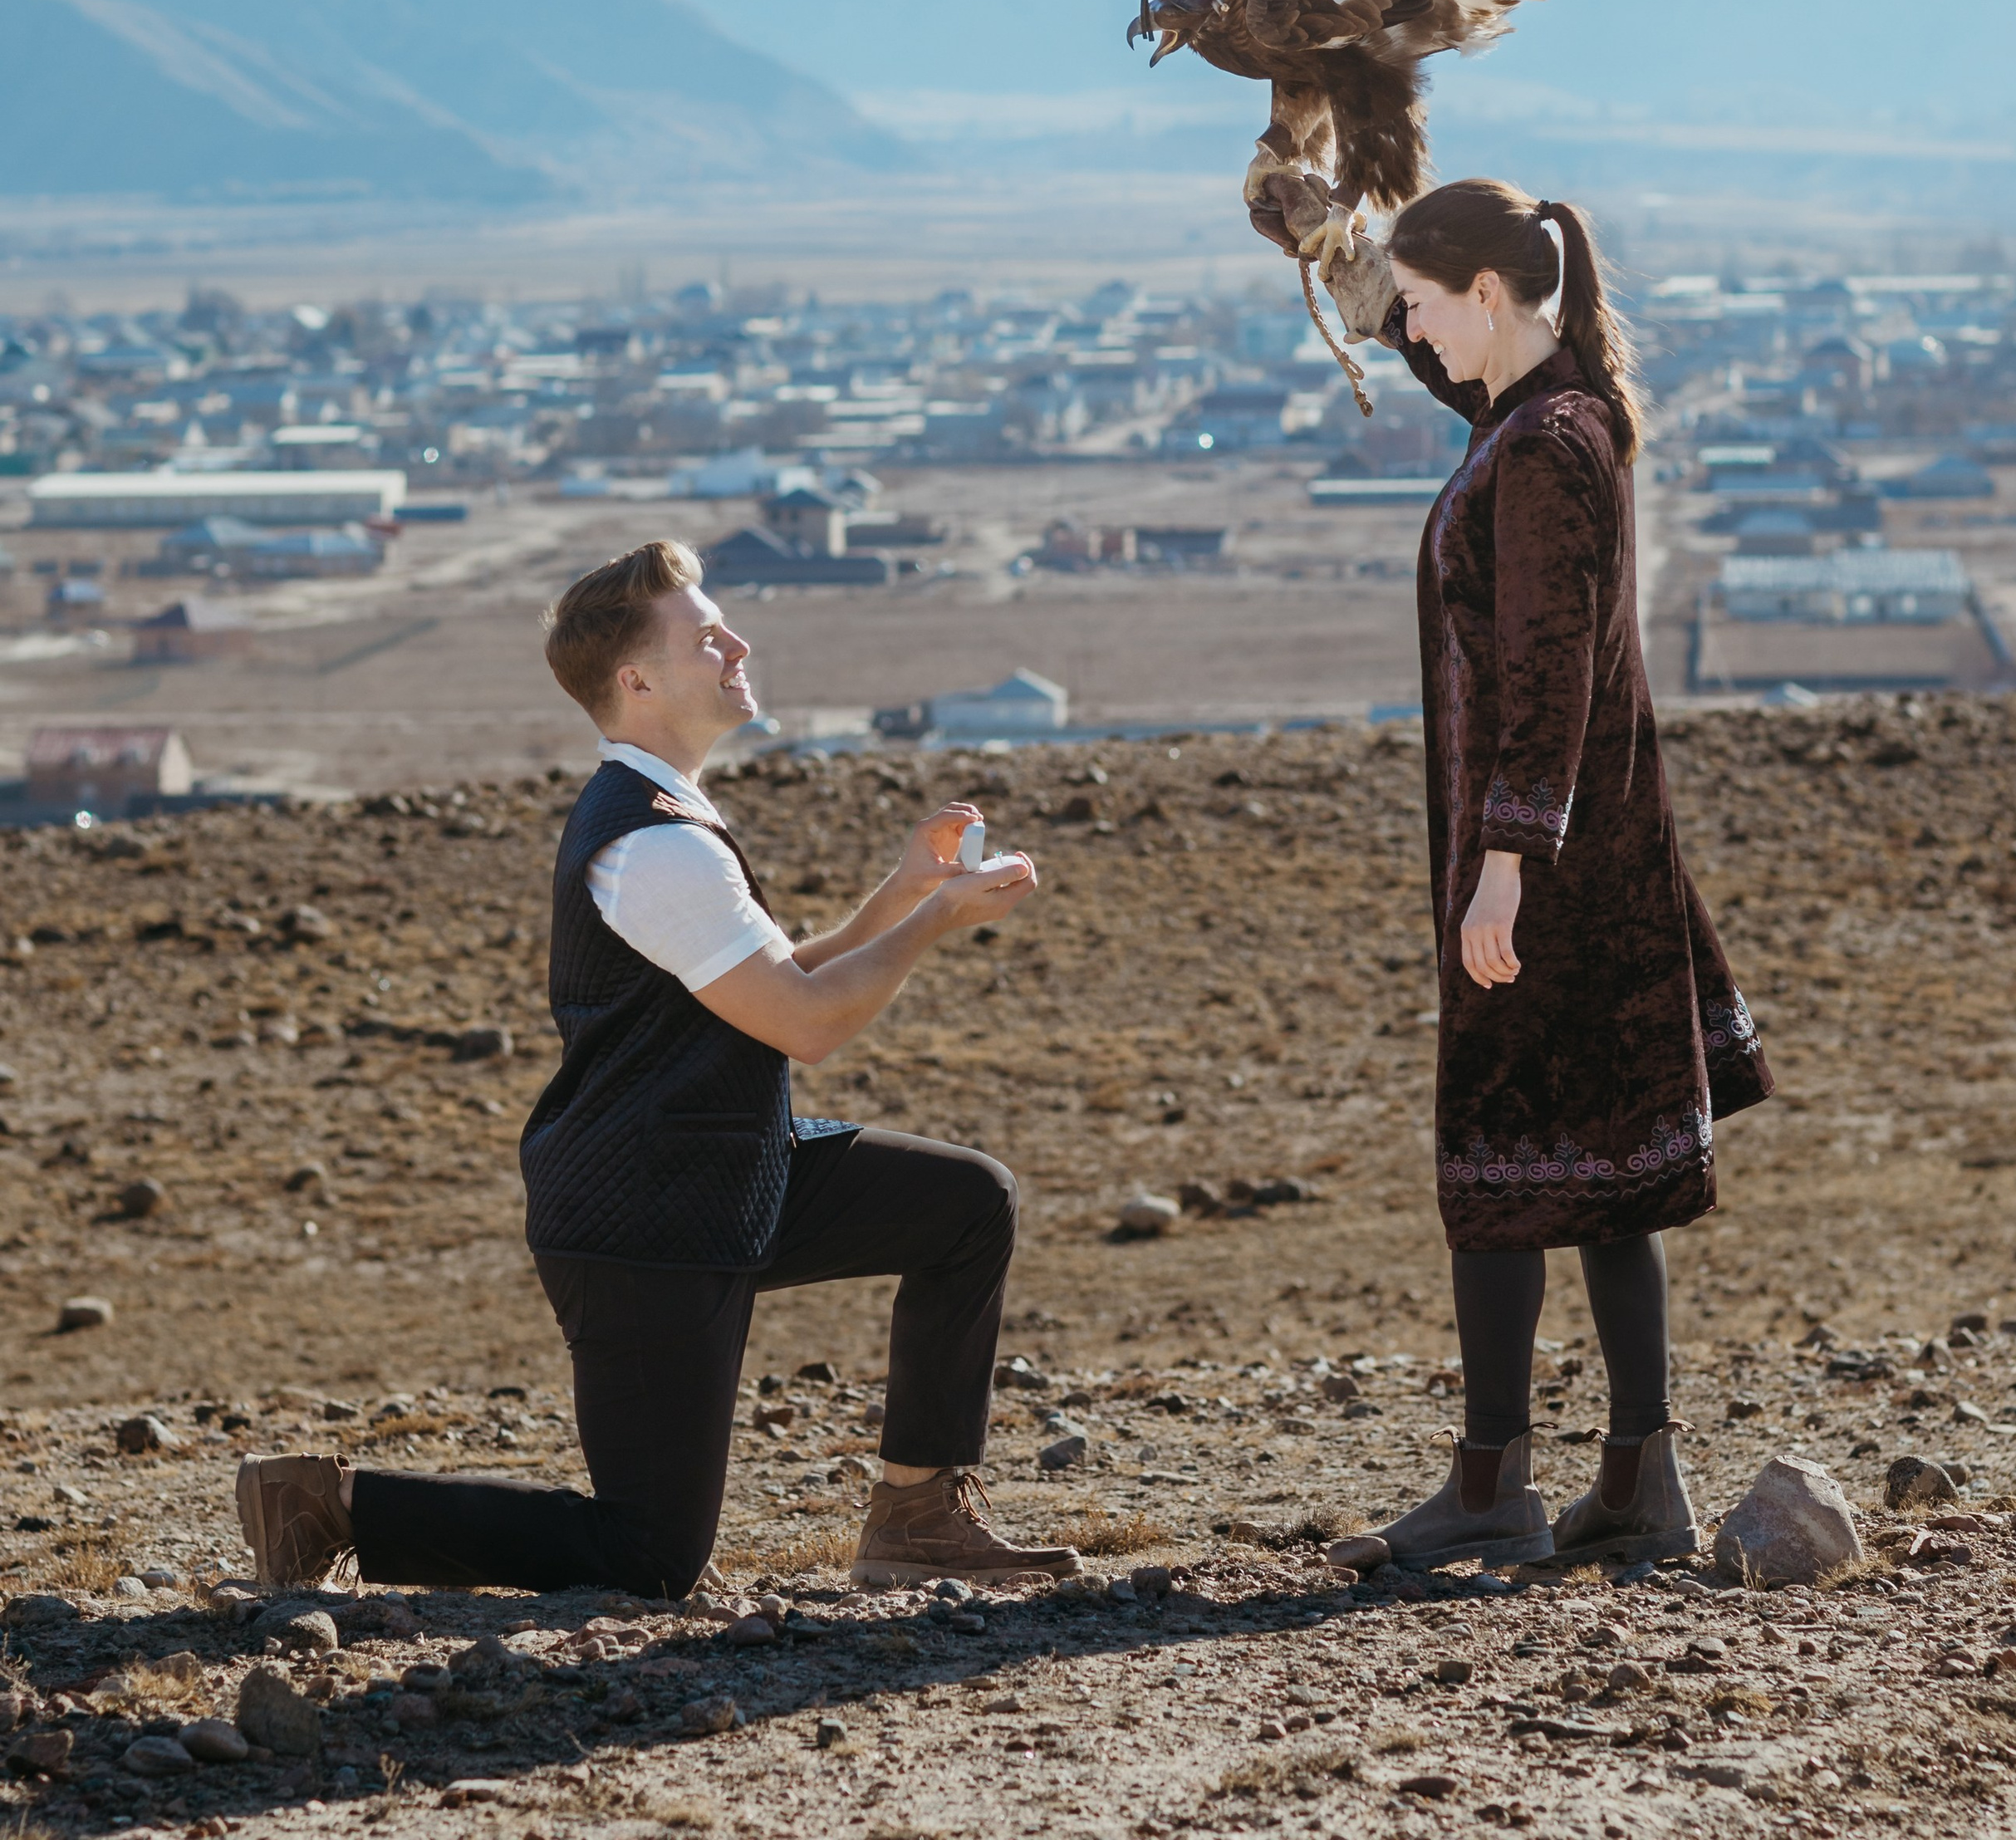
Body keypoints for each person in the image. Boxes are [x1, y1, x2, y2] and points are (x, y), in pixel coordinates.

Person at [233, 537, 1085, 1600]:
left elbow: (767, 979)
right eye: (705, 635)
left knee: (964, 1203)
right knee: (648, 1556)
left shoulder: (671, 817)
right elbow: (808, 1025)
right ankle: (331, 1505)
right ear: (636, 681)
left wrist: (906, 893)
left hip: (724, 1181)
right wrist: (942, 922)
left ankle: (918, 1519)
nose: (736, 643)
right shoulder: (653, 845)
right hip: (641, 1221)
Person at [1278, 176, 1772, 1570]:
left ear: (1490, 296)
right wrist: (1343, 249)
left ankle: (1495, 1482)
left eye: (1428, 311)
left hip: (1543, 869)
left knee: (1495, 1156)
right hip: (1593, 855)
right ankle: (1638, 1483)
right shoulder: (1551, 418)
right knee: (1608, 1170)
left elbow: (1548, 675)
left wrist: (1502, 865)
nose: (1415, 337)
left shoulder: (1546, 450)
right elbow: (1461, 383)